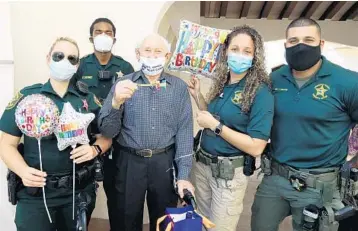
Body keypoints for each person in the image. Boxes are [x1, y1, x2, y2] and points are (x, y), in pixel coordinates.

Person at [251, 18, 358, 231]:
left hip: (320, 186)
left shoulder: (348, 82)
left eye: (309, 39)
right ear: (286, 45)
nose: (301, 46)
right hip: (275, 178)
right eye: (294, 40)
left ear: (321, 43)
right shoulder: (275, 78)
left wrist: (353, 164)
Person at [0, 37, 112, 231]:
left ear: (77, 65)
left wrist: (95, 149)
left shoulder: (87, 99)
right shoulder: (29, 97)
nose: (65, 62)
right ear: (48, 58)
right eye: (59, 56)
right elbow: (5, 144)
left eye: (72, 58)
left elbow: (107, 135)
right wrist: (22, 171)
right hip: (35, 195)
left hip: (77, 194)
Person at [98, 33, 195, 231]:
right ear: (137, 54)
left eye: (158, 51)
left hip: (164, 164)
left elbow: (184, 133)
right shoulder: (123, 84)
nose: (152, 55)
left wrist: (183, 175)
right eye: (147, 51)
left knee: (165, 221)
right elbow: (107, 130)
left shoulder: (178, 88)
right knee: (125, 218)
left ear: (167, 56)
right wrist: (116, 103)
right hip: (128, 162)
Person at [188, 25, 274, 231]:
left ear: (255, 56)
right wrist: (198, 96)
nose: (239, 55)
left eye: (247, 51)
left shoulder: (260, 92)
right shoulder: (222, 83)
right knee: (199, 224)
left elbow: (256, 147)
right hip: (201, 166)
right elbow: (213, 118)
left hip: (227, 176)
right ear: (225, 51)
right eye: (235, 49)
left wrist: (216, 126)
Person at [74, 17, 134, 230]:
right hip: (86, 142)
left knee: (118, 198)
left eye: (108, 32)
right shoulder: (80, 65)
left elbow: (132, 105)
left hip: (117, 143)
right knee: (83, 199)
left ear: (114, 38)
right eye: (98, 32)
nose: (103, 36)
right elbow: (71, 102)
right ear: (91, 37)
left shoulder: (125, 67)